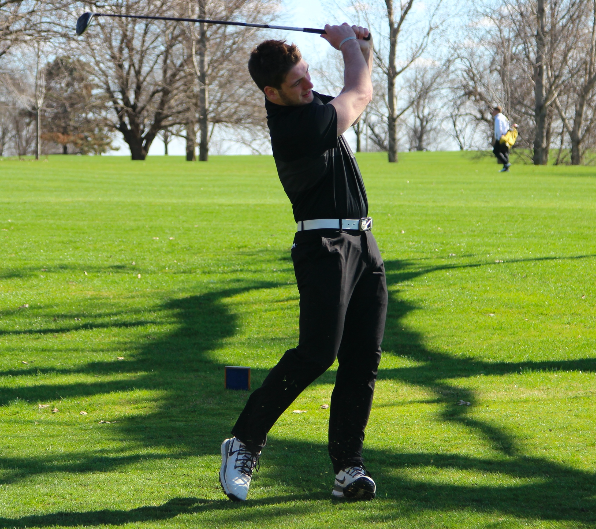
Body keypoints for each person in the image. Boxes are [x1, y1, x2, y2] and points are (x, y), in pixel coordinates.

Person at [219, 23, 388, 502]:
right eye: (298, 82)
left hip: (363, 244)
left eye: (308, 74)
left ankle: (348, 469)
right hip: (324, 249)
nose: (309, 85)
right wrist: (349, 47)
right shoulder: (296, 127)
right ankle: (244, 441)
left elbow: (360, 84)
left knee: (362, 359)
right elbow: (360, 92)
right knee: (316, 354)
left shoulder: (309, 105)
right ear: (272, 93)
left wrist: (365, 47)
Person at [491, 105, 511, 172]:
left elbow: (499, 129)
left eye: (493, 111)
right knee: (504, 151)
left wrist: (498, 137)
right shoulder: (504, 117)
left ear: (497, 111)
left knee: (496, 151)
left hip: (500, 137)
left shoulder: (498, 118)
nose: (492, 112)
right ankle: (506, 168)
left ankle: (506, 163)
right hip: (505, 136)